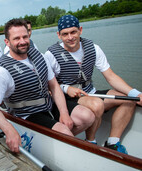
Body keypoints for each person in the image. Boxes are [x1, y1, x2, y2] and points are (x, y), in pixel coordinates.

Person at [0, 19, 95, 153]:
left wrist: (64, 113)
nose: (22, 41)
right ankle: (65, 143)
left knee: (88, 117)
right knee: (64, 131)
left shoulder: (40, 57)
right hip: (27, 114)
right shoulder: (1, 71)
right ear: (7, 42)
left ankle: (59, 146)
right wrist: (8, 130)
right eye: (16, 38)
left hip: (48, 105)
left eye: (25, 36)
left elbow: (54, 86)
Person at [45, 14, 142, 154]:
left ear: (80, 30)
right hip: (67, 97)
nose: (70, 37)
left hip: (89, 92)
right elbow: (48, 86)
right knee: (97, 104)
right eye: (65, 34)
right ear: (59, 35)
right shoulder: (51, 54)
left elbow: (111, 77)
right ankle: (91, 142)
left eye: (73, 32)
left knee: (128, 100)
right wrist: (66, 88)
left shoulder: (93, 48)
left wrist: (136, 94)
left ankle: (113, 143)